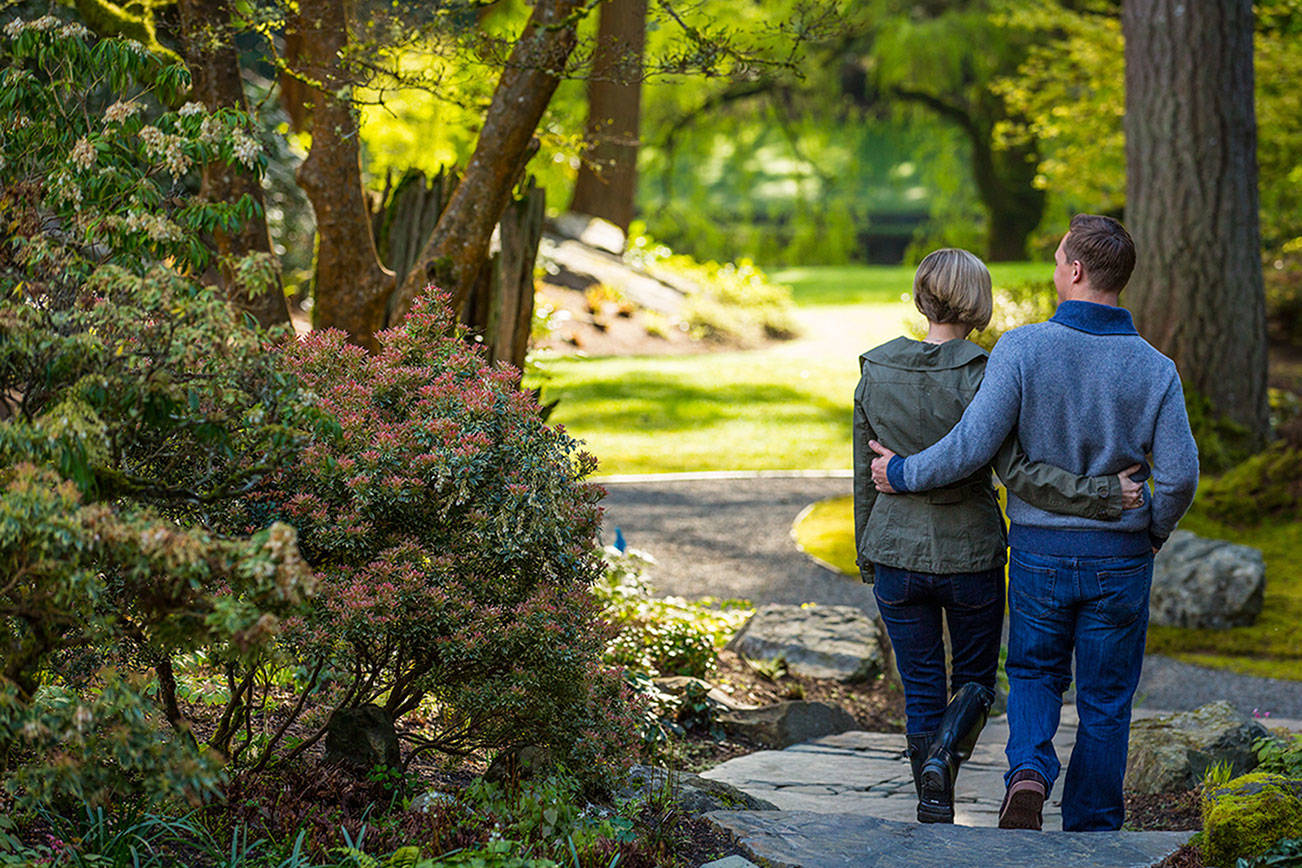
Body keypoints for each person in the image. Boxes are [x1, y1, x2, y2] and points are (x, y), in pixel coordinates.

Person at [869, 215, 1199, 832]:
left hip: (1040, 555)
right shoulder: (1157, 368)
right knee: (1105, 700)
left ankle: (1027, 773)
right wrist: (1153, 528)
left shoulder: (1022, 349)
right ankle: (1093, 825)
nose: (1053, 272)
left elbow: (973, 445)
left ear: (1075, 271)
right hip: (1120, 559)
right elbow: (1179, 476)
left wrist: (904, 473)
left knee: (1032, 674)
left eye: (1056, 262)